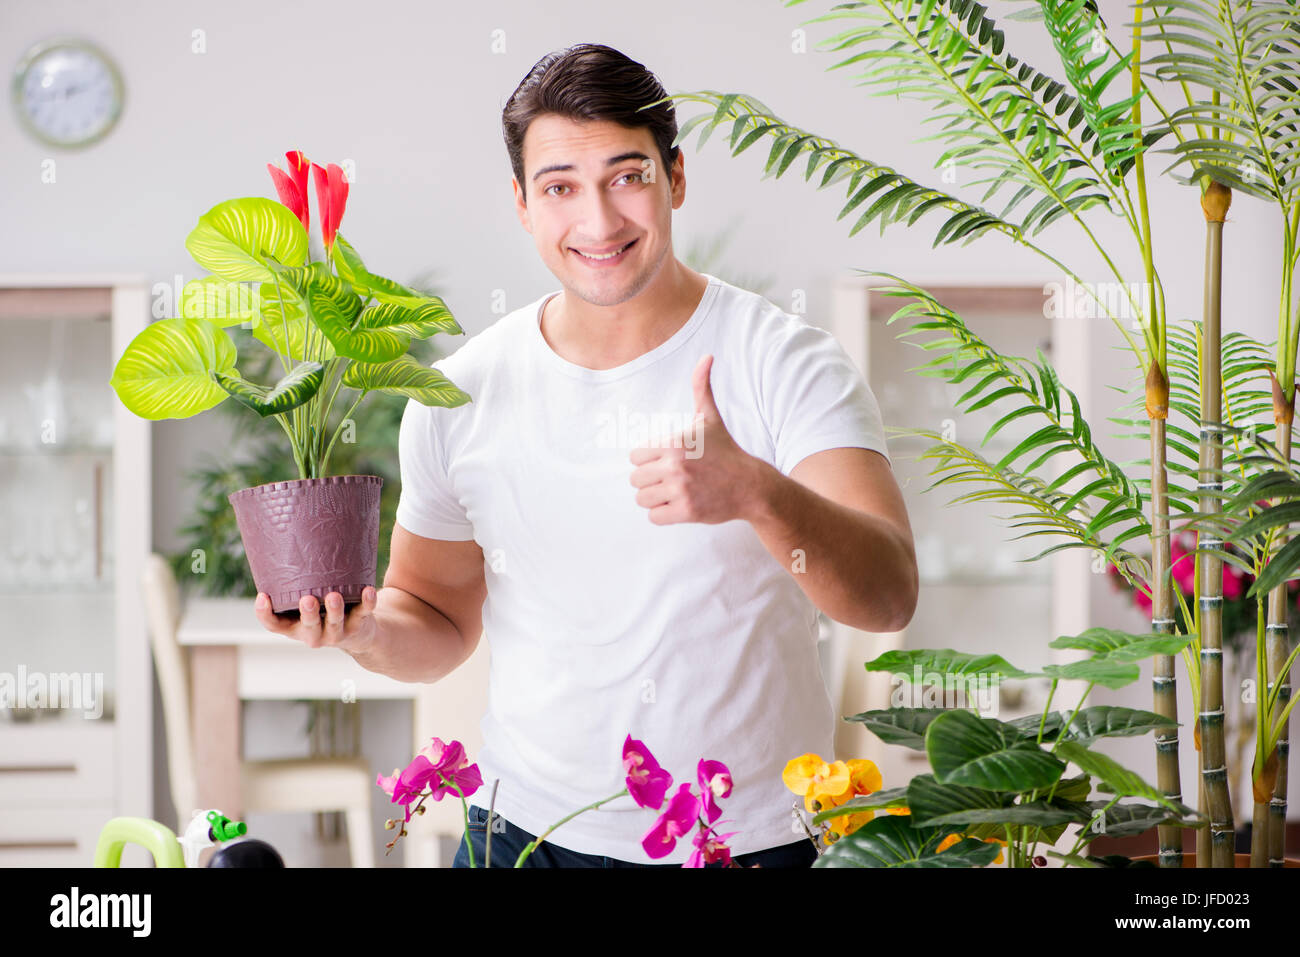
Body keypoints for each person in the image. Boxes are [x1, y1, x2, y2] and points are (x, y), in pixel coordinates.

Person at [255, 42, 918, 868]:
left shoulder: (786, 360)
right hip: (518, 838)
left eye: (627, 176)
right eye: (561, 187)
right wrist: (358, 631)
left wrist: (756, 491)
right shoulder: (461, 392)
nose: (598, 221)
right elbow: (438, 618)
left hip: (740, 845)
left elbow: (889, 594)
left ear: (676, 177)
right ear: (523, 203)